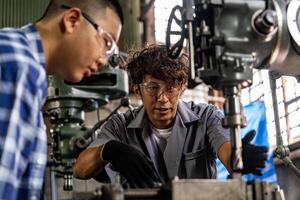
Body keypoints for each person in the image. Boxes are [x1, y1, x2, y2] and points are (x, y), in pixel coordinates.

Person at [74, 45, 268, 188]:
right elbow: (80, 170)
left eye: (171, 87)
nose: (162, 98)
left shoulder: (207, 117)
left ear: (183, 86)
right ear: (137, 89)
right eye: (152, 87)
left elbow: (227, 152)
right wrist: (109, 150)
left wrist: (239, 157)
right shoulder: (120, 126)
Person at [0, 0, 123, 199]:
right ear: (72, 20)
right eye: (106, 42)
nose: (102, 60)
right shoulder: (20, 67)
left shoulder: (19, 57)